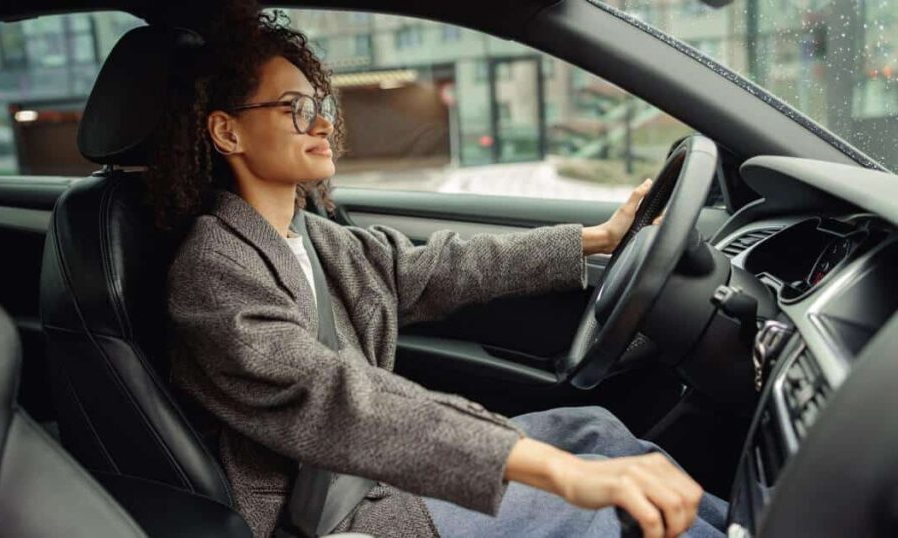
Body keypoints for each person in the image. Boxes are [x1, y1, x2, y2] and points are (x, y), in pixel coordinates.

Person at [148, 3, 728, 538]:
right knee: (595, 501)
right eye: (295, 109)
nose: (322, 124)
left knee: (594, 431)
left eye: (319, 106)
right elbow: (337, 399)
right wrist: (557, 474)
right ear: (228, 131)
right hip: (327, 516)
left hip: (372, 477)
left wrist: (596, 239)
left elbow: (445, 267)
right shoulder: (213, 269)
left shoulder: (318, 239)